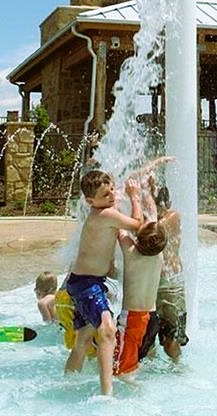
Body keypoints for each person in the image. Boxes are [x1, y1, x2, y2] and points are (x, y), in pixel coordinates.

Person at [64, 169, 143, 397]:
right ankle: (106, 395)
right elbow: (137, 224)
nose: (110, 196)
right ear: (90, 201)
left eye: (111, 190)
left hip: (83, 282)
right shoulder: (105, 215)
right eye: (104, 194)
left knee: (84, 338)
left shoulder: (105, 212)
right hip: (88, 284)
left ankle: (68, 383)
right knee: (107, 330)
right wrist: (135, 197)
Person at [113, 220, 167, 377]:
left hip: (133, 320)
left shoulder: (131, 254)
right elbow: (152, 237)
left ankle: (134, 397)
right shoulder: (159, 256)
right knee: (136, 363)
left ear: (138, 239)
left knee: (121, 371)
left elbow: (119, 228)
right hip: (152, 318)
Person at [154, 185, 189, 361]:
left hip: (170, 283)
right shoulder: (158, 219)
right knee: (148, 335)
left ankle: (178, 369)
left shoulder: (169, 218)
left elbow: (154, 227)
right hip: (160, 284)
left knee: (172, 337)